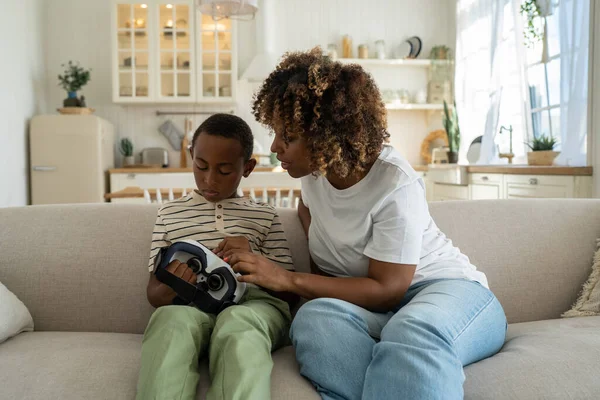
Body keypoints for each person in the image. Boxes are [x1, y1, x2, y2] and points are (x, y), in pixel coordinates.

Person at [224, 48, 507, 400]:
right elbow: (315, 231)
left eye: (289, 136)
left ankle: (405, 360)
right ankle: (401, 372)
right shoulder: (313, 178)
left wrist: (287, 278)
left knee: (412, 330)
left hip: (448, 295)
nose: (275, 146)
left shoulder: (395, 184)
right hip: (380, 314)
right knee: (313, 320)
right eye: (277, 132)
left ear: (329, 135)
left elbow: (389, 288)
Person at [136, 113, 298, 400]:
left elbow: (289, 295)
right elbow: (154, 295)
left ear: (247, 168)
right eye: (200, 166)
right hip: (190, 307)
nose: (209, 179)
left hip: (255, 307)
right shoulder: (169, 214)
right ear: (191, 156)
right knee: (171, 323)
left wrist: (254, 259)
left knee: (239, 325)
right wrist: (175, 284)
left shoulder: (265, 216)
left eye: (224, 171)